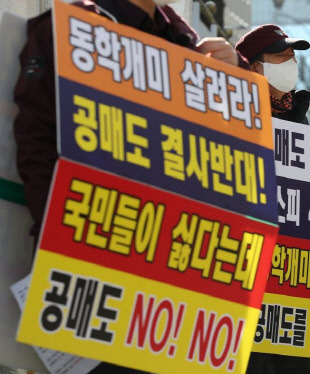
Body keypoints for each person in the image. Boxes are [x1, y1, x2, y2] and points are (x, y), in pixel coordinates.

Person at [13, 1, 248, 372]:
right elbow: (36, 145)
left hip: (180, 289)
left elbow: (240, 165)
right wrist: (64, 240)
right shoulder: (77, 27)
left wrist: (237, 78)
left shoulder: (195, 49)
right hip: (94, 271)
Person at [235, 24, 310, 374]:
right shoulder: (231, 113)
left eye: (293, 58)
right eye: (281, 57)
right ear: (255, 66)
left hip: (293, 279)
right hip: (246, 276)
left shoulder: (299, 117)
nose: (291, 64)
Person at [236, 24, 310, 125]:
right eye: (281, 55)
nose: (290, 61)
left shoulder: (297, 111)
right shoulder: (240, 110)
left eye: (292, 55)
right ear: (254, 67)